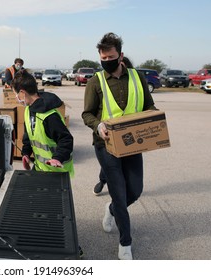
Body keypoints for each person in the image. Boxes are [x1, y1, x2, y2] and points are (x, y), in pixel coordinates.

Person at [82, 33, 157, 260]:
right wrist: (98, 125)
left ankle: (112, 209)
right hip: (105, 145)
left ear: (120, 55)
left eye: (111, 56)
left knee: (134, 190)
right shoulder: (96, 81)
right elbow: (86, 114)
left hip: (132, 144)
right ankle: (125, 243)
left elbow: (149, 106)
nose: (106, 61)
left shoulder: (137, 78)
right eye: (103, 57)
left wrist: (154, 117)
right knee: (118, 190)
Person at [11, 70, 74, 177]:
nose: (16, 98)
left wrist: (57, 158)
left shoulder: (49, 116)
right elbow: (29, 137)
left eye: (15, 94)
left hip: (56, 172)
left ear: (22, 93)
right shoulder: (28, 110)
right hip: (40, 168)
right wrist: (26, 153)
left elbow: (66, 139)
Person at [93, 56, 133, 196]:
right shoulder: (101, 82)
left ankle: (126, 192)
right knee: (110, 165)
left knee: (126, 172)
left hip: (129, 136)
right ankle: (102, 181)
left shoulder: (133, 82)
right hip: (109, 137)